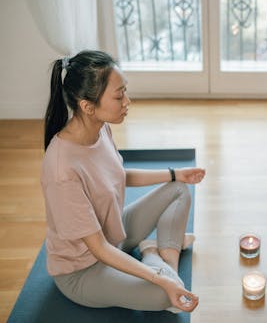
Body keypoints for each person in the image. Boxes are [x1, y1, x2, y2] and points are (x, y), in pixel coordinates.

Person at [41, 50, 206, 312]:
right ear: (87, 106)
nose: (127, 101)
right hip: (84, 270)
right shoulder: (62, 170)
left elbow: (117, 175)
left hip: (114, 234)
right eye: (119, 96)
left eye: (125, 91)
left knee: (178, 190)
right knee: (164, 297)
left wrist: (175, 174)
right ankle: (157, 258)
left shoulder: (99, 127)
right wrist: (159, 280)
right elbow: (99, 250)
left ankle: (157, 256)